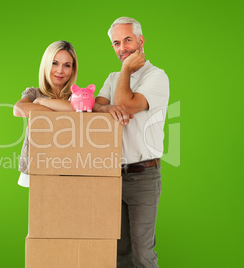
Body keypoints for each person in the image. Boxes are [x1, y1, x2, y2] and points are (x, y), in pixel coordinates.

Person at [93, 17, 169, 267]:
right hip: (112, 175)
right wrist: (106, 109)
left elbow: (125, 104)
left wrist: (125, 70)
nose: (122, 48)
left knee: (143, 253)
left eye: (127, 40)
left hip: (143, 176)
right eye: (116, 43)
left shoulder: (157, 77)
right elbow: (94, 107)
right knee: (119, 251)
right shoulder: (112, 77)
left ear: (141, 40)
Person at [13, 40, 78, 187]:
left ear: (73, 70)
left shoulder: (76, 96)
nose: (60, 70)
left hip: (70, 163)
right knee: (41, 207)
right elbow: (18, 109)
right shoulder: (34, 93)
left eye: (67, 65)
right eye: (55, 63)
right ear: (46, 64)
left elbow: (75, 109)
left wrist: (41, 103)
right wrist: (58, 112)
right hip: (37, 163)